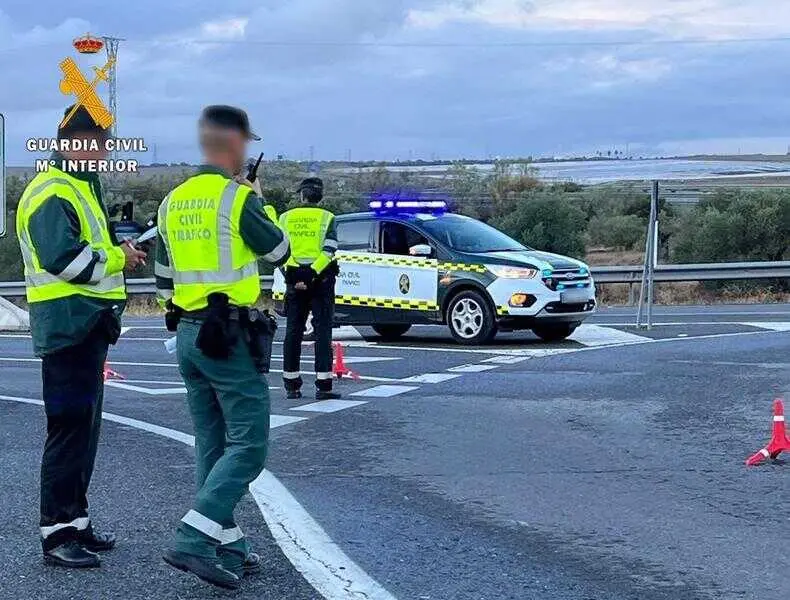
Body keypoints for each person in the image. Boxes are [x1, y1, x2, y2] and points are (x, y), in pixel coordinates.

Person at [155, 105, 290, 590]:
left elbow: (163, 276)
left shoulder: (172, 201)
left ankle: (228, 542)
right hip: (230, 336)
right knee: (249, 446)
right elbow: (278, 250)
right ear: (233, 144)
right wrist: (261, 202)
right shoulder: (235, 199)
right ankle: (193, 538)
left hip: (189, 334)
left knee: (212, 443)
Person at [15, 105, 147, 568]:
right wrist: (118, 260)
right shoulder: (53, 190)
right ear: (72, 141)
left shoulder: (79, 187)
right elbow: (63, 259)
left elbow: (86, 249)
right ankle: (56, 535)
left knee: (83, 430)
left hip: (85, 325)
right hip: (68, 325)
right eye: (98, 142)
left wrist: (116, 252)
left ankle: (76, 523)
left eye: (107, 143)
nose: (105, 150)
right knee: (69, 430)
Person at [279, 177, 340, 400]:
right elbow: (329, 250)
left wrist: (294, 274)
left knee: (293, 331)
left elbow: (280, 250)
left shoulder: (285, 218)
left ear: (301, 196)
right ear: (319, 196)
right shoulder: (328, 218)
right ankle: (324, 385)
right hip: (321, 281)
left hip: (294, 280)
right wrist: (312, 272)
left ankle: (291, 386)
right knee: (322, 331)